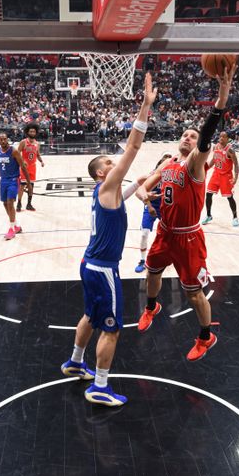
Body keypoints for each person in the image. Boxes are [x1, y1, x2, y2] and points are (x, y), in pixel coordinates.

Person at [60, 73, 157, 407]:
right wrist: (145, 106)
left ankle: (75, 361)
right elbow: (133, 145)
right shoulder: (105, 185)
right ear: (102, 173)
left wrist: (148, 178)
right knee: (112, 329)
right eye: (109, 163)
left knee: (90, 315)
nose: (115, 164)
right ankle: (99, 386)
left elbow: (127, 192)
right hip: (103, 269)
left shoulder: (106, 193)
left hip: (90, 265)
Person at [135, 64, 237, 362]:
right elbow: (144, 185)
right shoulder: (168, 163)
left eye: (193, 136)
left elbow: (207, 133)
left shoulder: (195, 164)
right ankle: (151, 306)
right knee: (152, 271)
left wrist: (221, 100)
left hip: (189, 239)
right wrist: (145, 197)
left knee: (193, 294)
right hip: (165, 232)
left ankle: (206, 337)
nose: (190, 137)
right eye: (186, 134)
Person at [135, 153, 172, 273]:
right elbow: (142, 192)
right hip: (151, 205)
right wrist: (149, 206)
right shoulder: (152, 175)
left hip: (165, 207)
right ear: (160, 163)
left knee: (170, 235)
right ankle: (142, 260)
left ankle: (168, 256)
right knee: (144, 234)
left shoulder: (173, 176)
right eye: (164, 162)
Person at [0, 133, 29, 240]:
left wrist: (28, 183)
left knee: (10, 203)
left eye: (5, 139)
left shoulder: (14, 151)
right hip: (3, 181)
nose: (3, 141)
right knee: (5, 204)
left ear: (7, 139)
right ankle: (15, 225)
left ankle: (11, 229)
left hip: (13, 180)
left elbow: (23, 166)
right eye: (1, 139)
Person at [202, 131, 239, 227]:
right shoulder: (216, 147)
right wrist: (206, 168)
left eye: (223, 137)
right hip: (216, 174)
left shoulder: (230, 150)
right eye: (220, 136)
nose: (221, 138)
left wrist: (236, 177)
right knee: (208, 194)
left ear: (227, 139)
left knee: (229, 197)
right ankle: (208, 215)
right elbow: (214, 160)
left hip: (226, 176)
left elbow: (236, 164)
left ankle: (235, 217)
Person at [16, 123, 44, 212]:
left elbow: (38, 155)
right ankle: (19, 203)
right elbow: (17, 153)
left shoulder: (37, 143)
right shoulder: (23, 142)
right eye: (30, 131)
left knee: (31, 186)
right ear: (27, 132)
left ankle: (29, 204)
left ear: (36, 133)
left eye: (34, 131)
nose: (32, 133)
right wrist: (22, 161)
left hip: (33, 167)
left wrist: (41, 161)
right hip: (24, 168)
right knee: (22, 186)